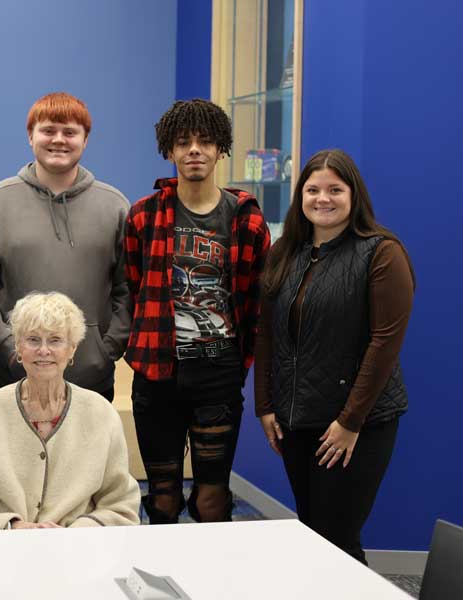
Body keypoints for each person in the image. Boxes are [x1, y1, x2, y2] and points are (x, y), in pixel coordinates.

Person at [254, 148, 414, 563]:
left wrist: (349, 421)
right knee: (312, 533)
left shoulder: (382, 252)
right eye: (312, 190)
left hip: (355, 424)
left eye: (334, 190)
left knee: (337, 541)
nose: (322, 199)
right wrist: (264, 405)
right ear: (300, 197)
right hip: (296, 421)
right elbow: (267, 334)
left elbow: (384, 345)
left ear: (353, 195)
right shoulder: (285, 252)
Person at [125, 99, 270, 524]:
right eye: (183, 142)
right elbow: (134, 285)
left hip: (218, 373)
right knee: (163, 495)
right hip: (156, 373)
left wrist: (238, 363)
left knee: (211, 498)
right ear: (168, 150)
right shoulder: (143, 216)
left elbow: (257, 300)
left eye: (205, 142)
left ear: (220, 149)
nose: (194, 150)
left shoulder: (247, 220)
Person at [0, 92, 130, 402]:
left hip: (91, 383)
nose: (59, 140)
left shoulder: (115, 206)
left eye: (70, 132)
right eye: (48, 130)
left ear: (85, 140)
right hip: (11, 384)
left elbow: (128, 289)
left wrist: (106, 347)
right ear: (30, 136)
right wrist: (8, 349)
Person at [0, 292, 140, 530]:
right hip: (4, 552)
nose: (43, 350)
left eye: (55, 340)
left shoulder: (101, 414)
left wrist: (76, 533)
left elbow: (121, 504)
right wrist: (12, 527)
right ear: (18, 347)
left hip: (80, 553)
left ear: (72, 349)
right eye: (33, 340)